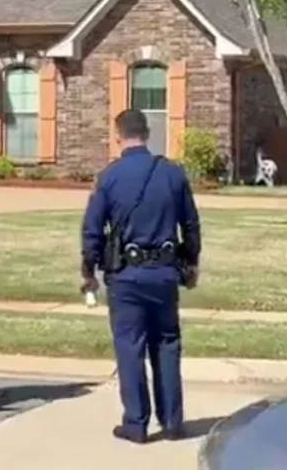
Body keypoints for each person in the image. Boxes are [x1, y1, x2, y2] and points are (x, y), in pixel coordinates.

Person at [81, 109, 201, 444]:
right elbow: (190, 225)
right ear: (147, 133)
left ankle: (136, 422)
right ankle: (173, 421)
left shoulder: (110, 177)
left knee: (130, 347)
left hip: (126, 276)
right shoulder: (172, 174)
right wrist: (190, 263)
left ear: (118, 135)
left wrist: (88, 271)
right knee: (166, 344)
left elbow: (92, 230)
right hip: (164, 272)